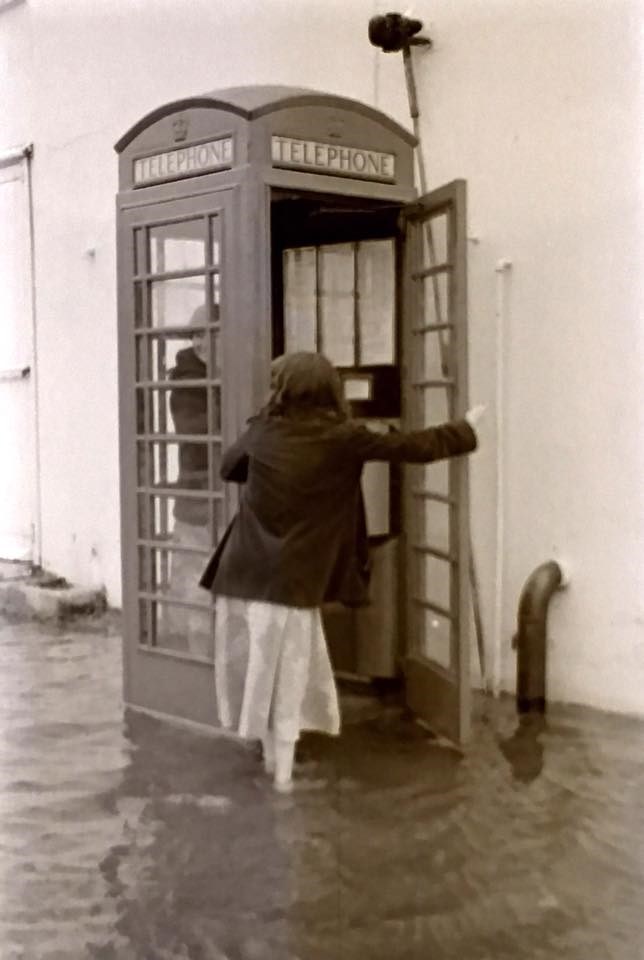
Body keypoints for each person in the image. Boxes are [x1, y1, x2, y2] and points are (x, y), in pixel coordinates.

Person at [200, 351, 485, 792]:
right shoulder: (345, 437)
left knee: (262, 673)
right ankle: (282, 783)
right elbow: (413, 448)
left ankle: (268, 767)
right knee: (289, 681)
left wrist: (266, 423)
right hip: (293, 585)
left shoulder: (263, 432)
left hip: (242, 575)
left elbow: (228, 468)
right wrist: (465, 429)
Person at [165, 304, 211, 656]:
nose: (202, 341)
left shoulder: (226, 375)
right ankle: (193, 663)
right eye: (196, 334)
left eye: (211, 332)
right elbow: (196, 430)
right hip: (196, 502)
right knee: (194, 595)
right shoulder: (186, 382)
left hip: (227, 501)